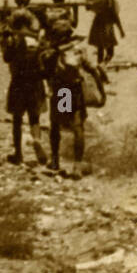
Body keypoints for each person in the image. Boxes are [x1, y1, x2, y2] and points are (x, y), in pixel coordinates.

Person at [39, 20, 105, 173]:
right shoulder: (78, 49)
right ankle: (77, 165)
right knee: (77, 126)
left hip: (62, 91)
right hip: (75, 90)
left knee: (56, 124)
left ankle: (55, 160)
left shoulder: (53, 52)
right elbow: (92, 69)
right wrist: (101, 90)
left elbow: (45, 72)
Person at [0, 11, 47, 166]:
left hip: (18, 82)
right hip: (35, 82)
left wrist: (4, 42)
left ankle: (18, 154)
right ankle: (37, 139)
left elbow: (7, 58)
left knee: (17, 119)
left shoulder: (14, 40)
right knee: (34, 118)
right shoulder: (36, 39)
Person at [86, 0, 124, 64]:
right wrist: (121, 30)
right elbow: (115, 15)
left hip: (97, 23)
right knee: (110, 52)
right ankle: (102, 66)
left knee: (100, 49)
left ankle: (100, 65)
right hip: (107, 25)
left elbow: (88, 7)